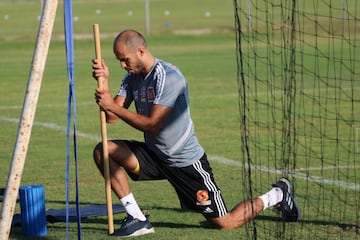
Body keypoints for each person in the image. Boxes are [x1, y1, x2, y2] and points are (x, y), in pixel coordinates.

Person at [92, 29, 300, 238]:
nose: (122, 65)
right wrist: (105, 82)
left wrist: (113, 106)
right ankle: (137, 217)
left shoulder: (168, 77)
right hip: (155, 156)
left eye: (125, 60)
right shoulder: (132, 78)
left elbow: (152, 124)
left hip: (185, 162)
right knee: (104, 150)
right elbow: (111, 117)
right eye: (119, 61)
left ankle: (278, 194)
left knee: (225, 223)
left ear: (140, 51)